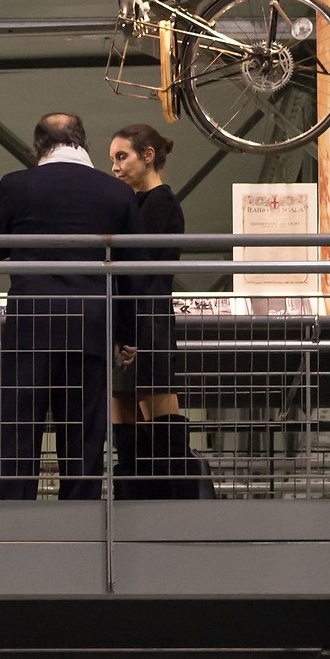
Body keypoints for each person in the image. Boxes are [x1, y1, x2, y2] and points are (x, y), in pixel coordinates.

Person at [0, 113, 140, 501]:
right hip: (91, 326)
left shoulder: (17, 185)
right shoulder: (117, 193)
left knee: (20, 429)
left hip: (31, 325)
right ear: (82, 141)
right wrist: (126, 335)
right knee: (84, 436)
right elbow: (132, 272)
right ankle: (80, 528)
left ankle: (12, 527)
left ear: (39, 145)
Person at [107, 125, 215, 499]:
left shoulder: (160, 202)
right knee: (122, 406)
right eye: (113, 159)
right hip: (127, 320)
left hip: (146, 319)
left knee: (156, 406)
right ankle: (138, 496)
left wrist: (133, 332)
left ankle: (171, 497)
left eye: (123, 156)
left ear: (148, 155)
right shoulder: (133, 203)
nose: (116, 167)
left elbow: (145, 273)